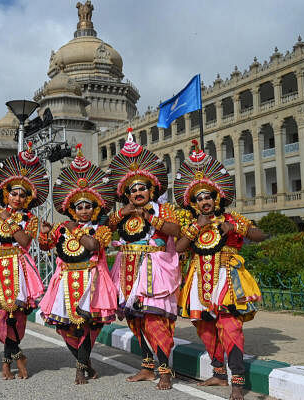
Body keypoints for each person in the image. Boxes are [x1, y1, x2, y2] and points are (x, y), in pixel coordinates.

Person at [174, 140, 265, 400]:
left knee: (230, 328)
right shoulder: (193, 225)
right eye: (199, 198)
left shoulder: (231, 219)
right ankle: (218, 373)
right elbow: (179, 248)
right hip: (198, 279)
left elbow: (259, 235)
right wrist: (195, 228)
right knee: (204, 326)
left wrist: (236, 229)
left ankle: (237, 381)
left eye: (208, 196)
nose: (205, 201)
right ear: (193, 203)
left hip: (226, 278)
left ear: (217, 198)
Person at [105, 128, 181, 390]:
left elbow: (176, 231)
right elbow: (105, 230)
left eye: (142, 188)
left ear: (151, 190)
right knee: (135, 321)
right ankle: (148, 367)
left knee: (154, 319)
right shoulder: (124, 212)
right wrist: (120, 214)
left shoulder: (163, 209)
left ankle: (164, 370)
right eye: (132, 189)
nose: (138, 193)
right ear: (126, 193)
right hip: (126, 270)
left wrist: (150, 217)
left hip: (154, 270)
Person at [38, 144, 117, 384]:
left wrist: (75, 231)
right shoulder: (61, 228)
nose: (83, 210)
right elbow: (46, 246)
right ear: (71, 208)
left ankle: (80, 367)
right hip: (65, 281)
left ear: (95, 208)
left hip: (91, 281)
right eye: (79, 206)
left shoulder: (100, 229)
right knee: (64, 327)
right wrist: (43, 233)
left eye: (88, 206)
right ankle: (86, 362)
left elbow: (93, 247)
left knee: (89, 327)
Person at [0, 142, 47, 380]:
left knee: (16, 317)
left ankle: (6, 362)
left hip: (17, 268)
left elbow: (24, 242)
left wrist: (10, 220)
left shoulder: (29, 218)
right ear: (6, 193)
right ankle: (18, 355)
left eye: (22, 195)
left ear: (27, 199)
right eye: (14, 193)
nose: (17, 197)